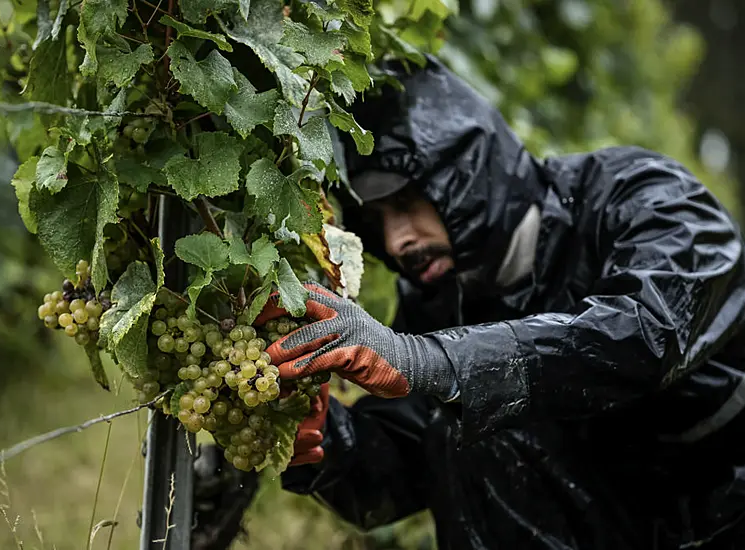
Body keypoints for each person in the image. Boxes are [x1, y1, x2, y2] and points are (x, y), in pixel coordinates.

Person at [255, 55, 745, 549]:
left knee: (490, 414)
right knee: (467, 427)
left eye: (405, 203)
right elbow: (412, 462)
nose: (397, 240)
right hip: (625, 527)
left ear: (463, 170)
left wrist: (429, 360)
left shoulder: (645, 199)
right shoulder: (444, 297)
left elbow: (646, 333)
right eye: (377, 220)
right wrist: (326, 441)